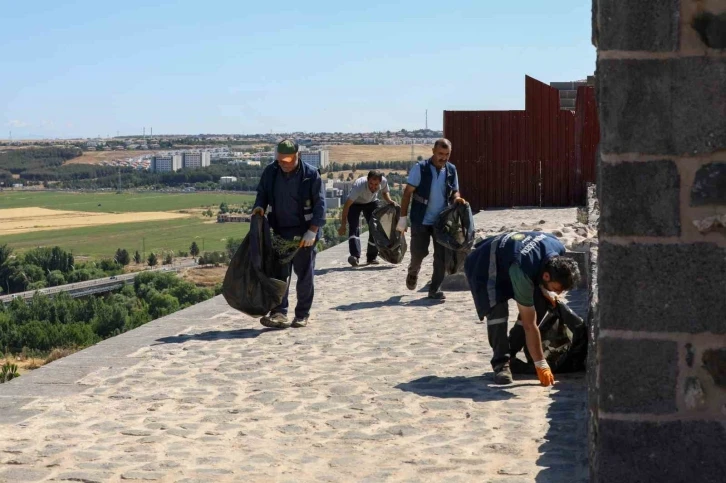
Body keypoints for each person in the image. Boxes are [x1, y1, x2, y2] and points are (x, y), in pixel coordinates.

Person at [463, 231, 581, 386]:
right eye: (556, 288)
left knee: (541, 302)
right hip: (485, 264)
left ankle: (510, 352)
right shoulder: (522, 270)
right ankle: (501, 364)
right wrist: (541, 363)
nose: (558, 293)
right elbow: (529, 325)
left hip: (509, 259)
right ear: (546, 276)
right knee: (497, 313)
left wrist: (547, 292)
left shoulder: (558, 248)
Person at [251, 139, 326, 329]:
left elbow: (320, 205)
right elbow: (262, 193)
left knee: (304, 275)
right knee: (279, 274)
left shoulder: (310, 175)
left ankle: (302, 314)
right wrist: (259, 206)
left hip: (304, 232)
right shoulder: (271, 171)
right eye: (280, 160)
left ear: (297, 156)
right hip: (280, 230)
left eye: (287, 160)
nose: (283, 164)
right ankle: (279, 312)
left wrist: (313, 231)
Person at [396, 138, 467, 300]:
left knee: (441, 257)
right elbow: (407, 193)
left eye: (447, 154)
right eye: (440, 154)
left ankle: (434, 289)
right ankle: (413, 271)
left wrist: (457, 198)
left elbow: (455, 191)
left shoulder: (451, 170)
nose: (443, 157)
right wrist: (402, 218)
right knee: (419, 252)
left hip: (441, 221)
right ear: (433, 151)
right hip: (420, 219)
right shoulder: (420, 169)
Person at [338, 170, 397, 266]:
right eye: (371, 184)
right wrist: (343, 224)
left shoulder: (384, 181)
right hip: (355, 204)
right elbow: (347, 205)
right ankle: (355, 256)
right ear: (367, 180)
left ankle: (371, 257)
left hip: (371, 202)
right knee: (354, 227)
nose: (373, 187)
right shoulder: (359, 186)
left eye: (376, 185)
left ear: (380, 182)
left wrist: (390, 201)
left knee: (375, 228)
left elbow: (385, 193)